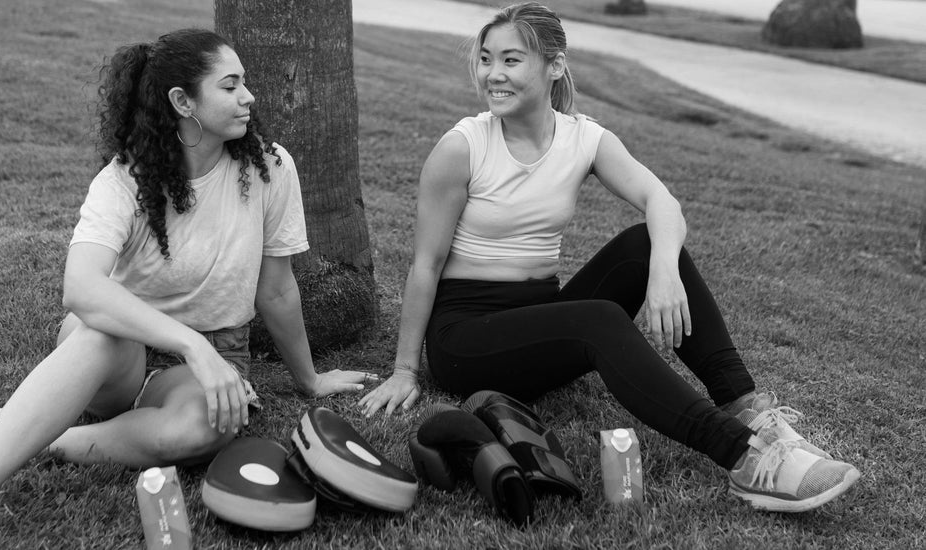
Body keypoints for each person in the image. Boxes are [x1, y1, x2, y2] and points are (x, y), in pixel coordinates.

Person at [358, 2, 860, 513]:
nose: (493, 74)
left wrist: (664, 268)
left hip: (536, 323)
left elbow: (661, 201)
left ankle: (749, 410)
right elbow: (425, 264)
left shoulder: (583, 138)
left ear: (554, 65)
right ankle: (745, 459)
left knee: (646, 243)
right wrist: (404, 368)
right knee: (598, 320)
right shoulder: (462, 147)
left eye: (511, 60)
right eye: (487, 59)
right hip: (467, 340)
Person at [0, 28, 376, 549]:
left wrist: (309, 380)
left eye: (244, 83)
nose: (249, 97)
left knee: (209, 431)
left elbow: (276, 290)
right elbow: (80, 289)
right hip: (116, 354)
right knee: (100, 331)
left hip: (207, 358)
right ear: (183, 102)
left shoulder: (270, 168)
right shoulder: (125, 181)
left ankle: (19, 434)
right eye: (230, 86)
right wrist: (192, 345)